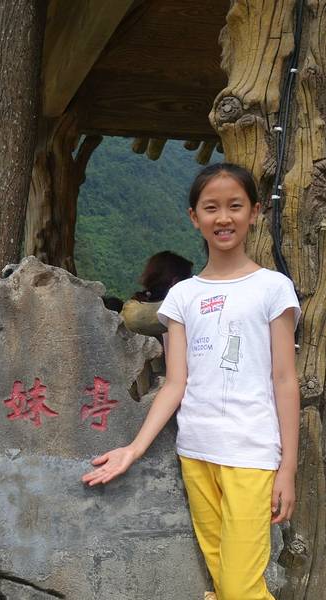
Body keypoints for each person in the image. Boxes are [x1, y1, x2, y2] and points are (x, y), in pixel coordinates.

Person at [82, 163, 300, 600]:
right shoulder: (183, 295)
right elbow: (175, 383)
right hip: (196, 451)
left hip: (252, 453)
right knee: (222, 579)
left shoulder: (272, 287)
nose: (224, 217)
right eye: (211, 207)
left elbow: (284, 380)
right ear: (194, 217)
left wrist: (288, 469)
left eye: (235, 206)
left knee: (239, 588)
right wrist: (133, 449)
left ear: (255, 212)